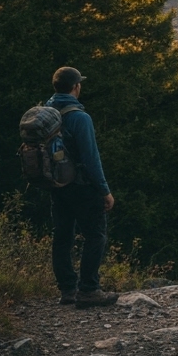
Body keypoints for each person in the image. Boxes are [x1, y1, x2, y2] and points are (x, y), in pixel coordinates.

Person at [47, 66, 119, 308]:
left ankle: (68, 290)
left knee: (62, 236)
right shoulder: (79, 117)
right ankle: (89, 290)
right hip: (81, 187)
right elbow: (91, 158)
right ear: (76, 87)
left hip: (56, 185)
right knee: (95, 236)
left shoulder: (46, 112)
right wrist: (104, 190)